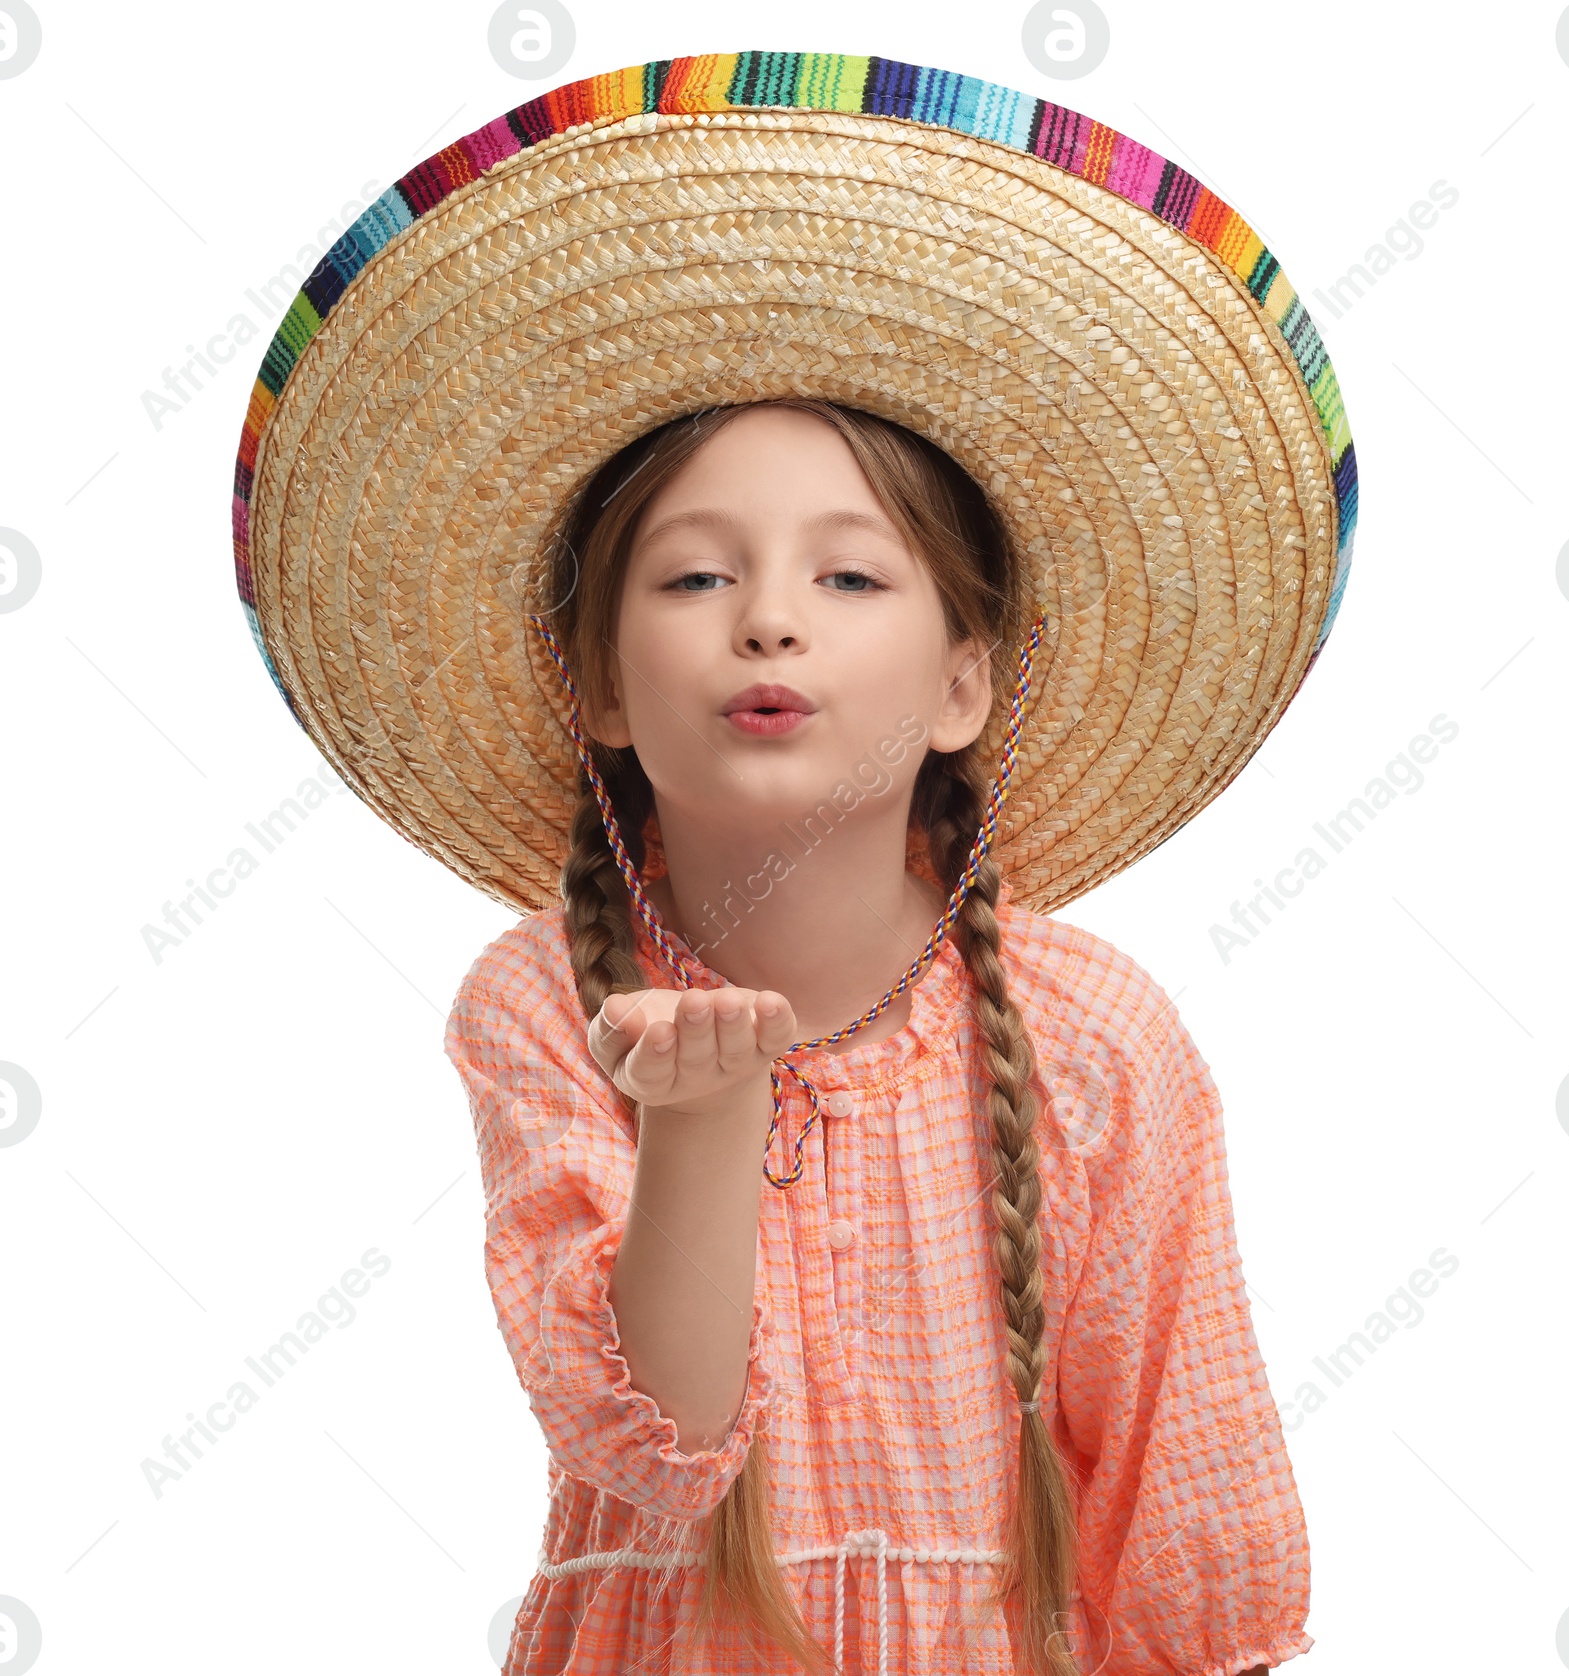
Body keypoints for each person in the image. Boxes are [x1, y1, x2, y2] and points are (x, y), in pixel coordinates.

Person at [230, 50, 1358, 1676]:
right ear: (600, 686)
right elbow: (652, 1448)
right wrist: (699, 1123)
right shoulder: (545, 1000)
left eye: (848, 576)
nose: (768, 616)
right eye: (694, 578)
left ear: (966, 683)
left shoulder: (1100, 1032)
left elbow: (1184, 1491)